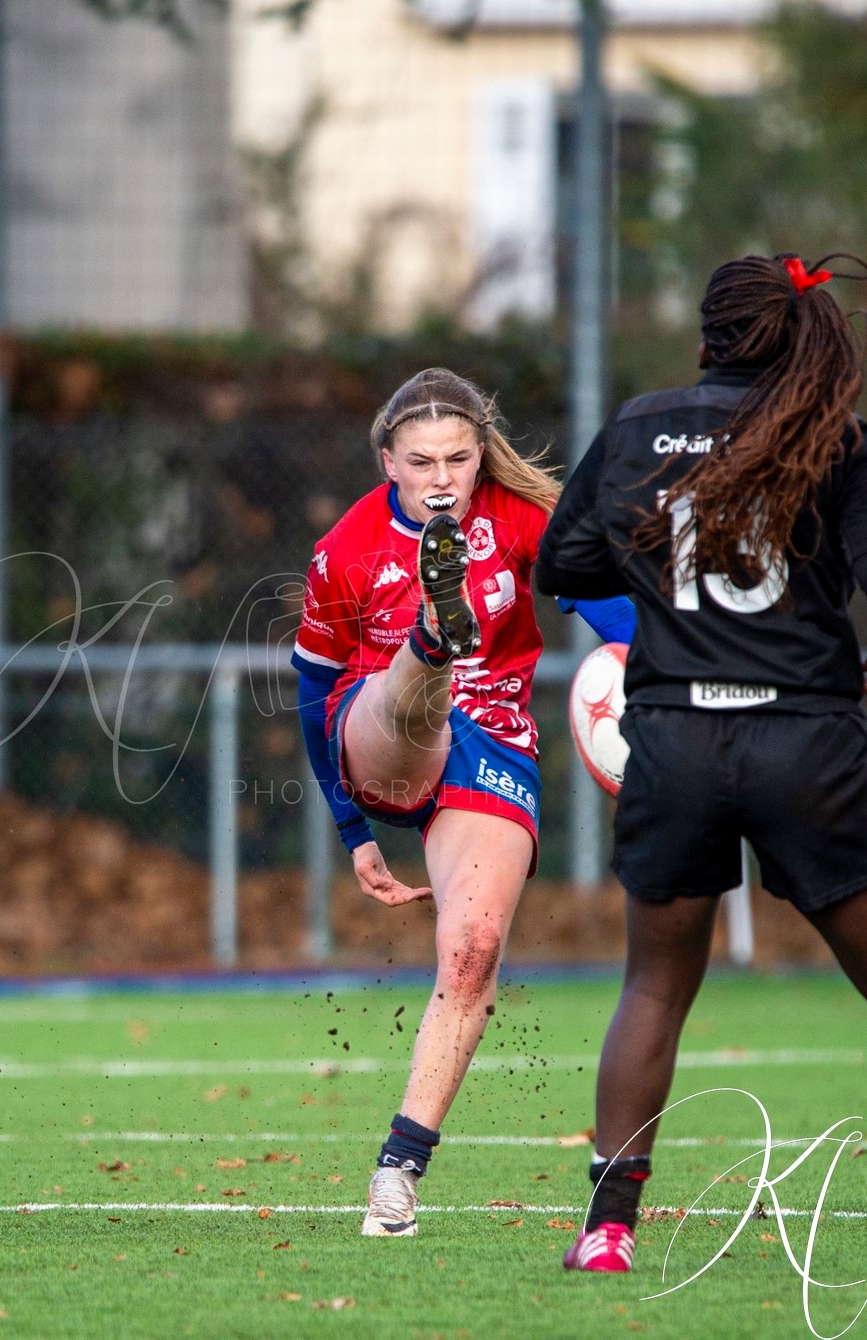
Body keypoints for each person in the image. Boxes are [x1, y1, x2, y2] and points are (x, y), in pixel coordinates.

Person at [535, 253, 867, 1274]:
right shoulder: (834, 435)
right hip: (805, 741)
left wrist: (655, 577)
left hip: (676, 737)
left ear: (707, 336)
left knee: (653, 986)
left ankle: (607, 1228)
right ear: (800, 338)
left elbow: (563, 563)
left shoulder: (639, 425)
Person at [292, 368, 633, 1237]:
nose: (441, 477)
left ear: (481, 456)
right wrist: (351, 831)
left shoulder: (520, 520)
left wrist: (670, 656)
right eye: (420, 461)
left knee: (474, 952)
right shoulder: (345, 547)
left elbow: (614, 618)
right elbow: (310, 695)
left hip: (495, 744)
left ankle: (396, 1175)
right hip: (380, 733)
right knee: (408, 698)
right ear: (387, 463)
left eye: (457, 458)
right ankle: (431, 640)